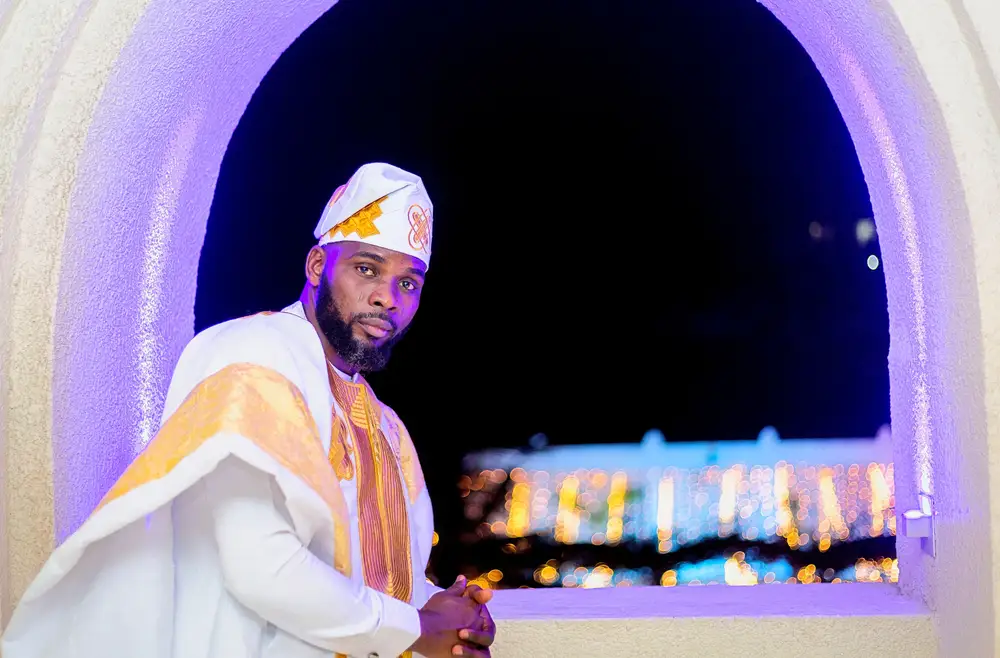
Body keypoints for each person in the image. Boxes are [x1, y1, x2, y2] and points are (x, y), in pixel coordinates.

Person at [1, 163, 496, 658]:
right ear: (318, 266)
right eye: (366, 269)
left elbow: (384, 581)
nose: (386, 298)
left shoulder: (388, 428)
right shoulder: (255, 355)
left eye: (408, 284)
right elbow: (259, 563)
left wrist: (453, 616)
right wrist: (412, 628)